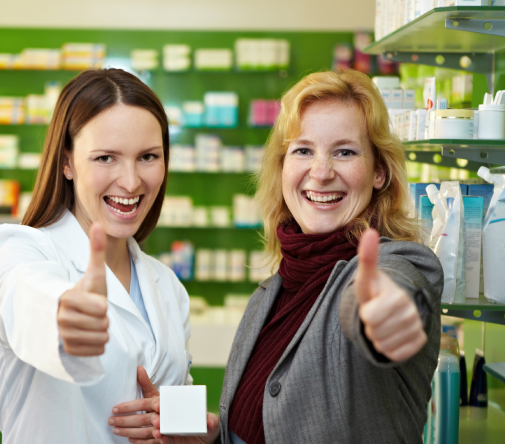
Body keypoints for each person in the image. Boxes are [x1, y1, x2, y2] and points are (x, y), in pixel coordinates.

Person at [111, 69, 443, 443]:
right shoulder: (269, 295)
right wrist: (211, 439)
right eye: (303, 150)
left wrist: (382, 313)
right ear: (282, 167)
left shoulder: (399, 263)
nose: (321, 172)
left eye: (345, 152)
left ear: (379, 171)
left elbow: (390, 294)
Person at [0, 68, 193, 443]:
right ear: (67, 162)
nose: (131, 181)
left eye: (148, 157)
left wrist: (193, 428)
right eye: (105, 158)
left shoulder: (168, 286)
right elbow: (26, 299)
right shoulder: (17, 251)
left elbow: (178, 401)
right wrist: (64, 315)